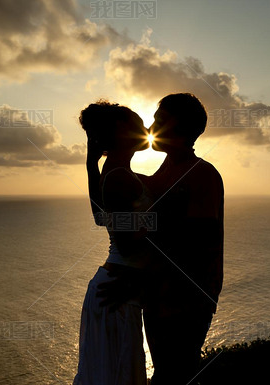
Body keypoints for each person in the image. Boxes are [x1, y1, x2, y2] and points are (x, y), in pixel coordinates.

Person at [142, 93, 224, 385]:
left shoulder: (202, 174)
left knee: (173, 375)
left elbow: (199, 242)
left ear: (181, 125)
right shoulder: (164, 171)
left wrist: (135, 278)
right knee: (166, 373)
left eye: (159, 119)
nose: (152, 124)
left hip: (186, 300)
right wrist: (98, 157)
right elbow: (106, 211)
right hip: (158, 295)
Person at [73, 101, 153, 385]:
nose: (147, 131)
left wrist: (89, 163)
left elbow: (99, 216)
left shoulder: (113, 172)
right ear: (122, 129)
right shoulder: (119, 177)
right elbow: (128, 243)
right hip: (119, 291)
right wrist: (164, 222)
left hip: (111, 286)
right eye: (139, 124)